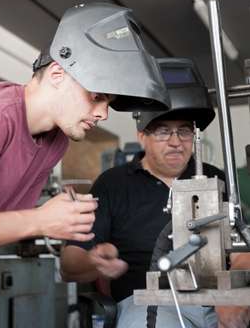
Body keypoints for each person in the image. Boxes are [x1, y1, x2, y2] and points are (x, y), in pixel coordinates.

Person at [61, 58, 232, 327]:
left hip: (216, 300)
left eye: (184, 131)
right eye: (163, 131)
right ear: (142, 134)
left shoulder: (214, 178)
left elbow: (240, 244)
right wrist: (94, 262)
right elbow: (70, 264)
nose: (176, 142)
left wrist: (233, 299)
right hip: (147, 302)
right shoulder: (113, 184)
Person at [0, 2, 170, 249]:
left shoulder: (55, 142)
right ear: (57, 75)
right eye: (96, 97)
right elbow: (29, 221)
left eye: (109, 102)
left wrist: (82, 250)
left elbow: (4, 222)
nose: (103, 114)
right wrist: (39, 219)